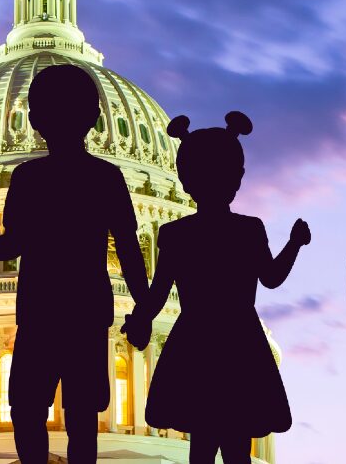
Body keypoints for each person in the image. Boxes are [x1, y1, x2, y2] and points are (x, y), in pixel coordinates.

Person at [0, 64, 149, 464]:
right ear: (96, 117)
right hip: (86, 309)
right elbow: (131, 250)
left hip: (41, 309)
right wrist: (145, 307)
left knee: (27, 410)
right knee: (82, 415)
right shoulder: (106, 176)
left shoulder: (30, 177)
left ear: (35, 119)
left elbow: (15, 241)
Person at [122, 112, 309, 464]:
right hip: (239, 340)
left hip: (196, 340)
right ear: (236, 178)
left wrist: (139, 321)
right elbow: (271, 278)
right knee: (237, 442)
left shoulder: (176, 234)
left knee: (202, 442)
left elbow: (157, 295)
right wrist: (294, 244)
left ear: (186, 180)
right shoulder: (249, 229)